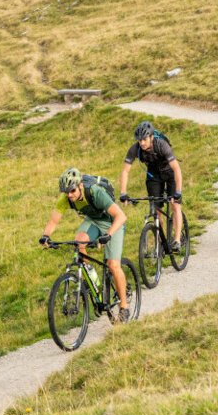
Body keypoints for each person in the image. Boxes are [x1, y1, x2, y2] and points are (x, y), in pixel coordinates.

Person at [40, 167, 131, 323]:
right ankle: (91, 280)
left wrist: (108, 235)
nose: (70, 195)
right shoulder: (66, 199)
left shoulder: (95, 192)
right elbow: (54, 220)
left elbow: (121, 216)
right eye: (66, 192)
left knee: (113, 265)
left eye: (72, 190)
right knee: (79, 241)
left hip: (113, 223)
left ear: (80, 185)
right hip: (94, 221)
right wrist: (46, 236)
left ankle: (124, 306)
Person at [118, 120, 184, 252]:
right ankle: (160, 239)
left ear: (151, 137)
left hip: (170, 173)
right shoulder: (135, 149)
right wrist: (123, 193)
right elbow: (125, 171)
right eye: (139, 140)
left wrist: (178, 191)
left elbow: (176, 169)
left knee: (175, 205)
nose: (142, 143)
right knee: (156, 209)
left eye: (144, 139)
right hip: (153, 176)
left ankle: (177, 240)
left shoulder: (162, 145)